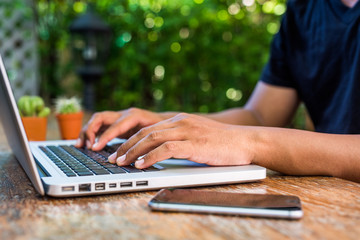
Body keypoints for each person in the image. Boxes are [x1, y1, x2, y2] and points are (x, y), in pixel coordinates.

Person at [76, 0, 360, 183]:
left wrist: (249, 143)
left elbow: (255, 133)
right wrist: (159, 123)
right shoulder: (303, 11)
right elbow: (260, 115)